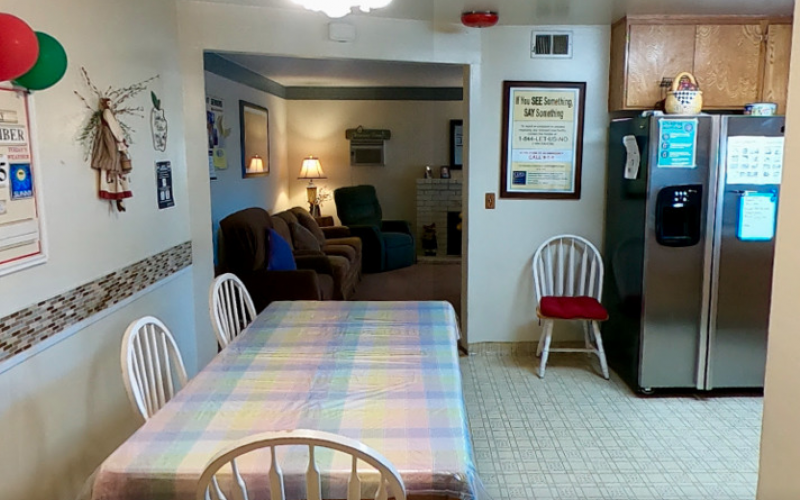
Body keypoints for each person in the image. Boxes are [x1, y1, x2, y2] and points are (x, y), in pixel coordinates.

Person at [91, 98, 132, 212]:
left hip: (109, 142)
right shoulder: (107, 113)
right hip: (110, 142)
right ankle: (117, 196)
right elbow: (116, 130)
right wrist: (121, 141)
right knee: (113, 167)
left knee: (114, 168)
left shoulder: (108, 113)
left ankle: (118, 196)